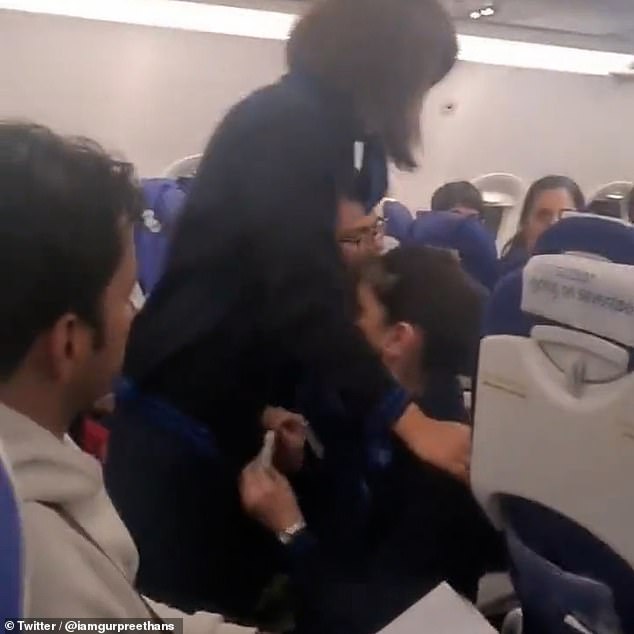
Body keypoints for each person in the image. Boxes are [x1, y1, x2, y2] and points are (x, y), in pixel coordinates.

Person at [104, 0, 464, 622]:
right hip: (179, 418)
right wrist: (412, 422)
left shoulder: (310, 127)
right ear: (389, 68)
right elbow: (300, 294)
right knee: (162, 607)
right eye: (419, 85)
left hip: (214, 405)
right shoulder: (289, 127)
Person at [0, 122, 251, 633]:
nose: (135, 316)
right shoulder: (42, 568)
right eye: (126, 297)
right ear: (68, 343)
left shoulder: (35, 456)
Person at [241, 246, 503, 634]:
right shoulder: (379, 412)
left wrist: (290, 530)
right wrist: (301, 471)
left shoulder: (444, 480)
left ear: (397, 339)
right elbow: (347, 529)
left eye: (357, 313)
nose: (342, 331)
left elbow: (367, 619)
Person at [499, 175, 585, 276]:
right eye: (544, 216)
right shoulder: (507, 278)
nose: (554, 224)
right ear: (525, 224)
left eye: (565, 216)